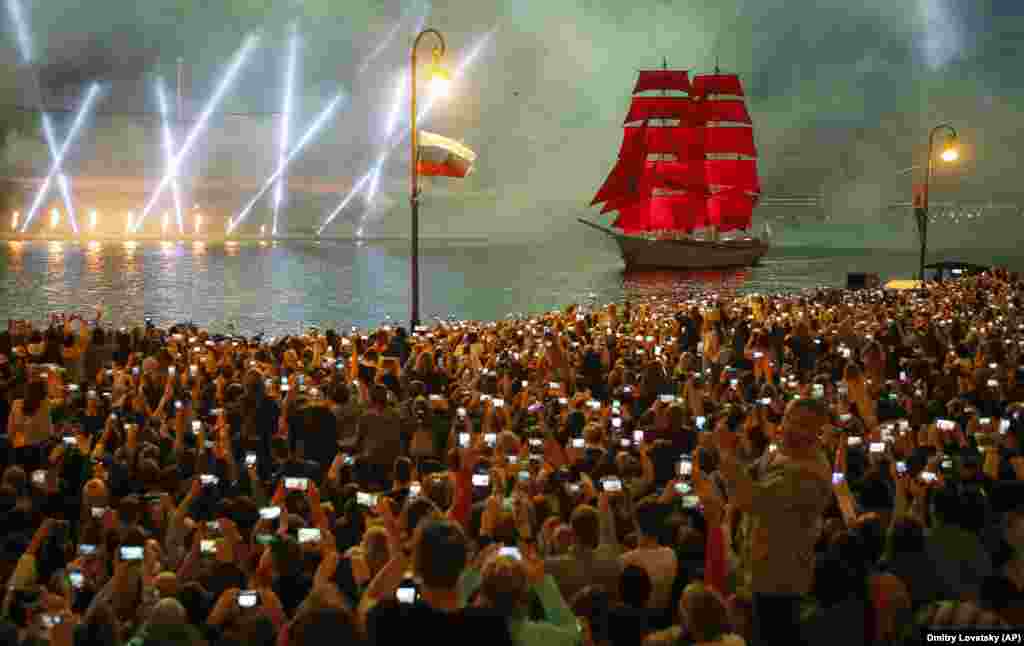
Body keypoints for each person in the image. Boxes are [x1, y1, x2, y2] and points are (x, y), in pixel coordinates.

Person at [716, 398, 832, 645]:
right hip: (763, 570)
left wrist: (726, 454)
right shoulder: (784, 452)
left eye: (802, 425)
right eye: (788, 419)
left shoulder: (806, 474)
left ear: (817, 432)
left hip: (779, 580)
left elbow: (753, 500)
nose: (789, 428)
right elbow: (756, 473)